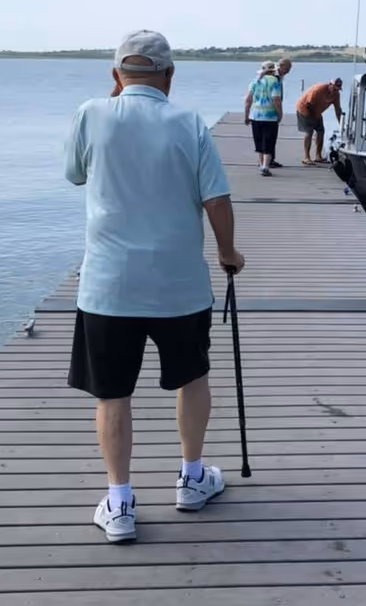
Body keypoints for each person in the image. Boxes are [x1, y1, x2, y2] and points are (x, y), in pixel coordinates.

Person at [64, 29, 245, 543]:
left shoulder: (90, 113)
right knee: (192, 378)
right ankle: (191, 479)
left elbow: (75, 174)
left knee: (112, 393)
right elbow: (217, 201)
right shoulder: (189, 122)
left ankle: (119, 503)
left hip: (107, 287)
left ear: (116, 74)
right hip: (179, 285)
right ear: (169, 75)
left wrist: (114, 103)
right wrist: (228, 254)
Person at [243, 61, 282, 177]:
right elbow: (276, 99)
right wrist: (280, 114)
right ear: (273, 71)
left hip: (255, 116)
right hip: (270, 116)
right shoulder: (275, 81)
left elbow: (248, 100)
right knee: (269, 141)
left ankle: (261, 165)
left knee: (259, 141)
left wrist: (246, 115)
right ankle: (265, 166)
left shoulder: (254, 81)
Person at [295, 78, 344, 165]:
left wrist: (341, 125)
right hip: (304, 109)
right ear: (330, 85)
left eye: (337, 89)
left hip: (317, 111)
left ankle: (318, 156)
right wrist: (314, 117)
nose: (335, 91)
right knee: (309, 131)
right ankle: (307, 157)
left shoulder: (336, 95)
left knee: (321, 131)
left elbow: (338, 110)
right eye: (334, 88)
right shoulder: (318, 90)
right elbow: (309, 104)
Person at [268, 58, 292, 168]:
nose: (288, 71)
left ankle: (271, 159)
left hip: (272, 107)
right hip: (270, 109)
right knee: (270, 136)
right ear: (281, 66)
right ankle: (268, 160)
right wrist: (279, 113)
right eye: (287, 69)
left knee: (273, 136)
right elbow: (275, 97)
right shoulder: (274, 76)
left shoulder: (280, 76)